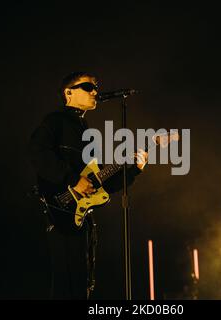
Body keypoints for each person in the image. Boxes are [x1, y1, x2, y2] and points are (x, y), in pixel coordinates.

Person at [28, 71, 148, 299]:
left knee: (82, 281)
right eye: (88, 87)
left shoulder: (87, 132)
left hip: (80, 216)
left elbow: (102, 183)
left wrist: (134, 169)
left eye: (96, 87)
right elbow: (37, 153)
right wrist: (72, 180)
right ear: (68, 92)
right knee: (65, 282)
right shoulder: (55, 121)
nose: (95, 91)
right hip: (57, 210)